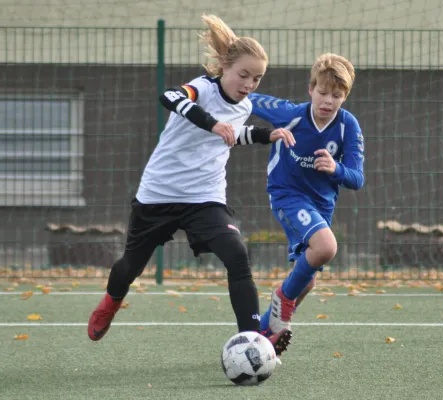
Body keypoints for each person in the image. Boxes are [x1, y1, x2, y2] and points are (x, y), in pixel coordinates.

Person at [87, 14, 295, 356]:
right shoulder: (203, 87)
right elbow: (169, 96)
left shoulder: (244, 105)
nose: (249, 84)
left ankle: (254, 341)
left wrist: (264, 134)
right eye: (243, 75)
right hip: (158, 195)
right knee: (130, 266)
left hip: (205, 197)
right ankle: (110, 302)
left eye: (256, 78)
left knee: (237, 255)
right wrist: (212, 123)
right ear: (225, 67)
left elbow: (231, 135)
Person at [248, 53, 365, 349]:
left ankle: (259, 339)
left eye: (336, 95)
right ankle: (282, 300)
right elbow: (249, 98)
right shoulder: (291, 114)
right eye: (323, 92)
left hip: (321, 206)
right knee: (326, 247)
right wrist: (211, 91)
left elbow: (357, 178)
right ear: (310, 89)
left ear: (345, 96)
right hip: (286, 195)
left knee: (307, 281)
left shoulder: (347, 125)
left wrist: (336, 168)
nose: (328, 100)